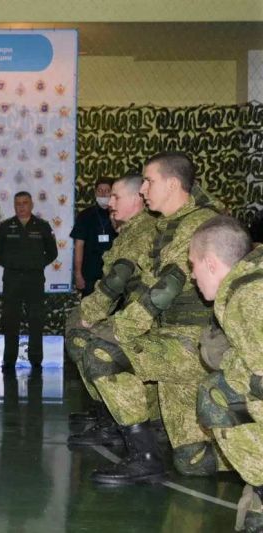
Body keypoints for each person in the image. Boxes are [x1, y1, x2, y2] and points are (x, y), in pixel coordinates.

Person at [82, 152, 223, 485]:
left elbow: (166, 287)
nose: (143, 189)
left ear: (172, 184)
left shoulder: (197, 224)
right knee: (192, 462)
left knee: (102, 353)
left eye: (148, 181)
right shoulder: (168, 225)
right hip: (172, 337)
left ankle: (144, 458)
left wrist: (119, 328)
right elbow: (146, 283)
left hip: (194, 343)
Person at [65, 175, 158, 446]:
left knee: (93, 345)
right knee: (81, 336)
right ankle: (107, 413)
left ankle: (121, 425)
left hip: (145, 318)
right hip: (130, 310)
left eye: (116, 197)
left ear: (137, 199)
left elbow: (118, 279)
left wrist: (89, 313)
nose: (110, 203)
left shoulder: (143, 230)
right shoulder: (129, 230)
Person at [188, 216, 263, 532]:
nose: (192, 275)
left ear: (210, 263)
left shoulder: (245, 298)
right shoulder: (251, 275)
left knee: (216, 396)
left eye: (193, 265)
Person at [0, 191, 58, 369]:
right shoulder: (6, 226)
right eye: (18, 204)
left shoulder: (42, 226)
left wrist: (37, 264)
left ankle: (36, 359)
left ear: (32, 205)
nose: (21, 206)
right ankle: (9, 359)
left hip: (34, 279)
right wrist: (11, 264)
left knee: (36, 320)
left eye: (25, 203)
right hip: (12, 279)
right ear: (14, 206)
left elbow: (52, 252)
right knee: (10, 320)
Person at [70, 178, 116, 296]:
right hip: (90, 272)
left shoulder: (119, 214)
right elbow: (79, 245)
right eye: (100, 190)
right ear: (95, 193)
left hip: (114, 272)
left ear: (113, 193)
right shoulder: (85, 215)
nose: (103, 194)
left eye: (107, 191)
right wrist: (78, 274)